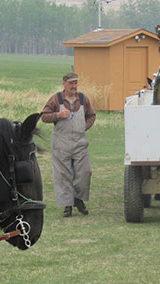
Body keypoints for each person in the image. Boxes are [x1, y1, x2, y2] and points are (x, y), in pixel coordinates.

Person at [41, 72, 97, 217]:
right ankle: (67, 205)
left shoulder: (83, 99)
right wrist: (58, 115)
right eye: (71, 83)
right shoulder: (56, 99)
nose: (74, 86)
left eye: (76, 83)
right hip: (61, 142)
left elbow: (92, 115)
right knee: (63, 174)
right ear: (64, 84)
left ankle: (79, 199)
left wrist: (84, 126)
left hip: (80, 142)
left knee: (85, 172)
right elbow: (44, 116)